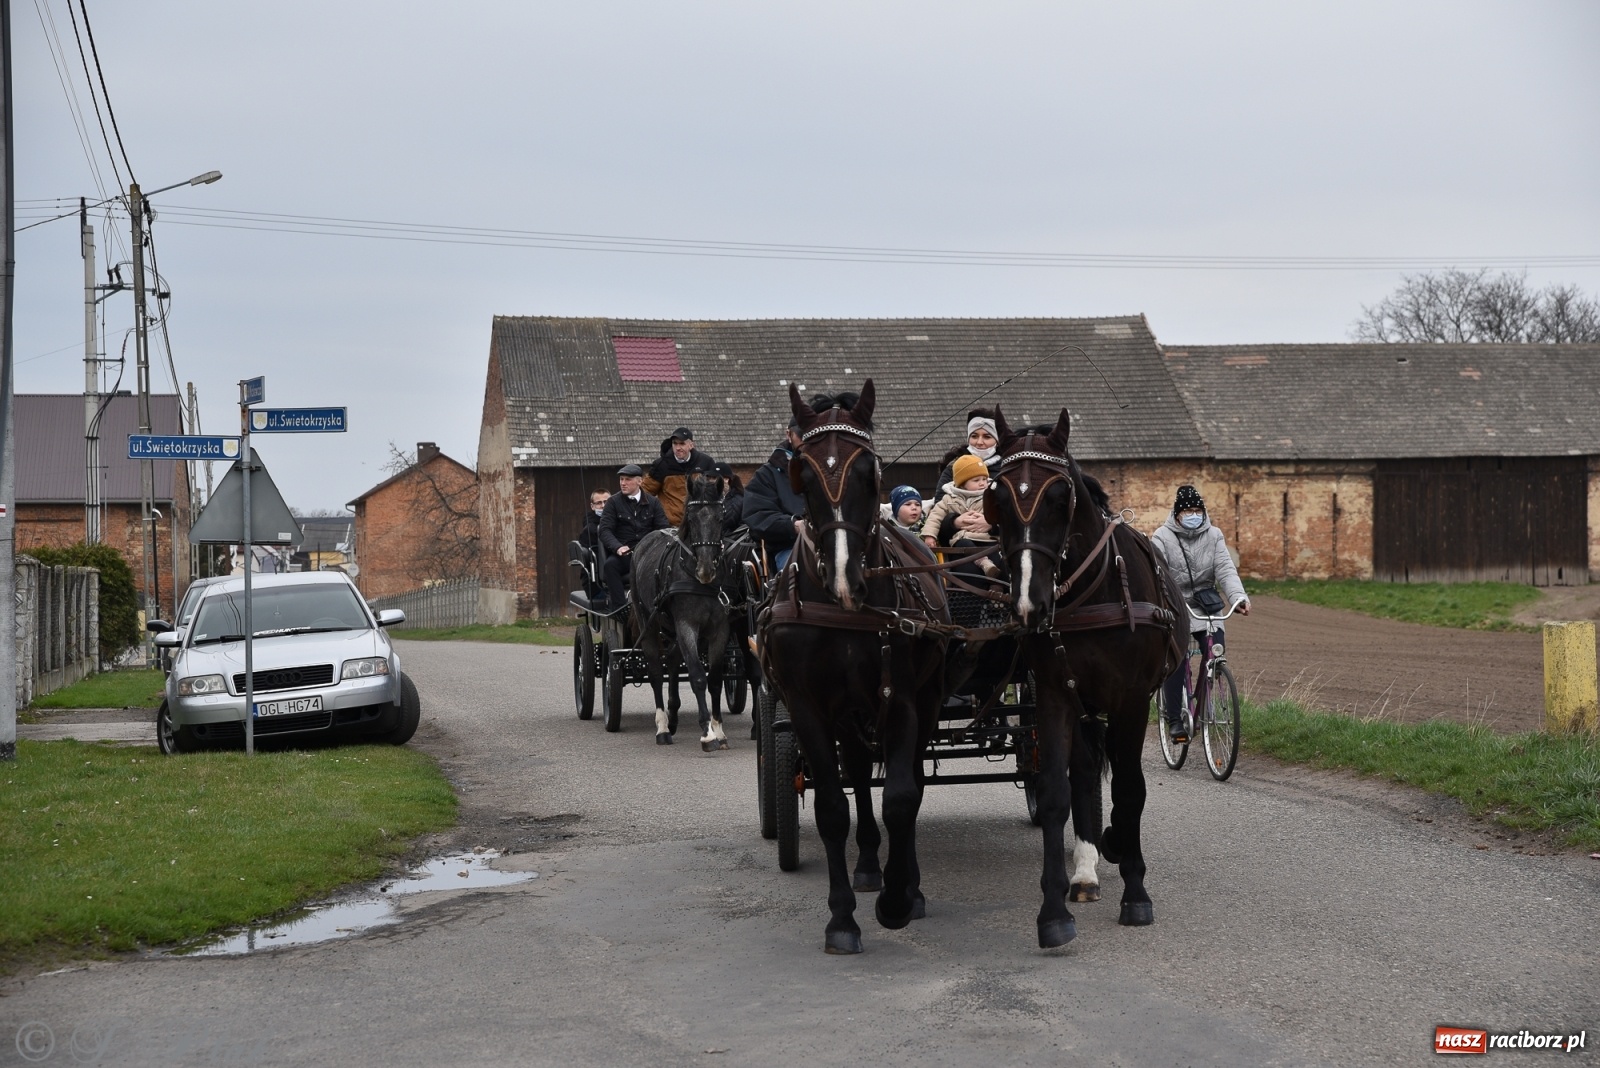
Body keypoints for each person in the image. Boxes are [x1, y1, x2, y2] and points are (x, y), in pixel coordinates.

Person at [1150, 484, 1251, 743]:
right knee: (1177, 658)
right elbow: (1158, 576)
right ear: (1177, 514)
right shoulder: (1161, 537)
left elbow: (1225, 569)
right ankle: (1175, 720)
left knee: (1215, 653)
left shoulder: (1214, 535)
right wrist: (1166, 603)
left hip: (1206, 605)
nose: (1193, 515)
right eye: (1188, 511)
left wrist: (1238, 598)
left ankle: (1205, 705)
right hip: (1176, 605)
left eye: (1198, 510)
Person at [597, 464, 670, 608]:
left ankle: (660, 606)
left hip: (648, 554)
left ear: (639, 481)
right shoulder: (613, 502)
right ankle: (620, 608)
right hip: (625, 555)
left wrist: (655, 549)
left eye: (628, 479)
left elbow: (663, 529)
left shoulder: (653, 502)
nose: (623, 483)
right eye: (621, 479)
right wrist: (618, 547)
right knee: (610, 566)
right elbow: (604, 530)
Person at [921, 455, 1000, 576]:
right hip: (963, 539)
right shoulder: (949, 499)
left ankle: (998, 581)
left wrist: (992, 523)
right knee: (963, 544)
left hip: (988, 539)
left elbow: (1003, 514)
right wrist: (930, 536)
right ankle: (984, 563)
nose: (982, 483)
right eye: (976, 480)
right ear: (962, 484)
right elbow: (935, 517)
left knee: (998, 557)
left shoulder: (992, 496)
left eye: (984, 479)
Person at [743, 422, 807, 570]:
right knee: (798, 572)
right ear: (789, 435)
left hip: (832, 545)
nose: (807, 440)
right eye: (802, 435)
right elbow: (758, 514)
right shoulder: (766, 475)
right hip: (789, 546)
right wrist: (793, 526)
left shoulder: (831, 469)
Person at [643, 426, 718, 526]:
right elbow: (645, 492)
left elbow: (715, 492)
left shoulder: (706, 462)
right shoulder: (661, 465)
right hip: (670, 527)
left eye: (682, 444)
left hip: (699, 525)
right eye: (675, 443)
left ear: (691, 445)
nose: (678, 448)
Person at [932, 411, 1001, 503]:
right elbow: (940, 501)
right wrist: (958, 513)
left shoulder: (1008, 466)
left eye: (987, 437)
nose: (979, 442)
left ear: (997, 440)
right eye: (974, 436)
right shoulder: (954, 466)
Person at [714, 461, 746, 530]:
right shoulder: (707, 499)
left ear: (726, 479)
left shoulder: (739, 501)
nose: (712, 481)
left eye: (715, 478)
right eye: (710, 478)